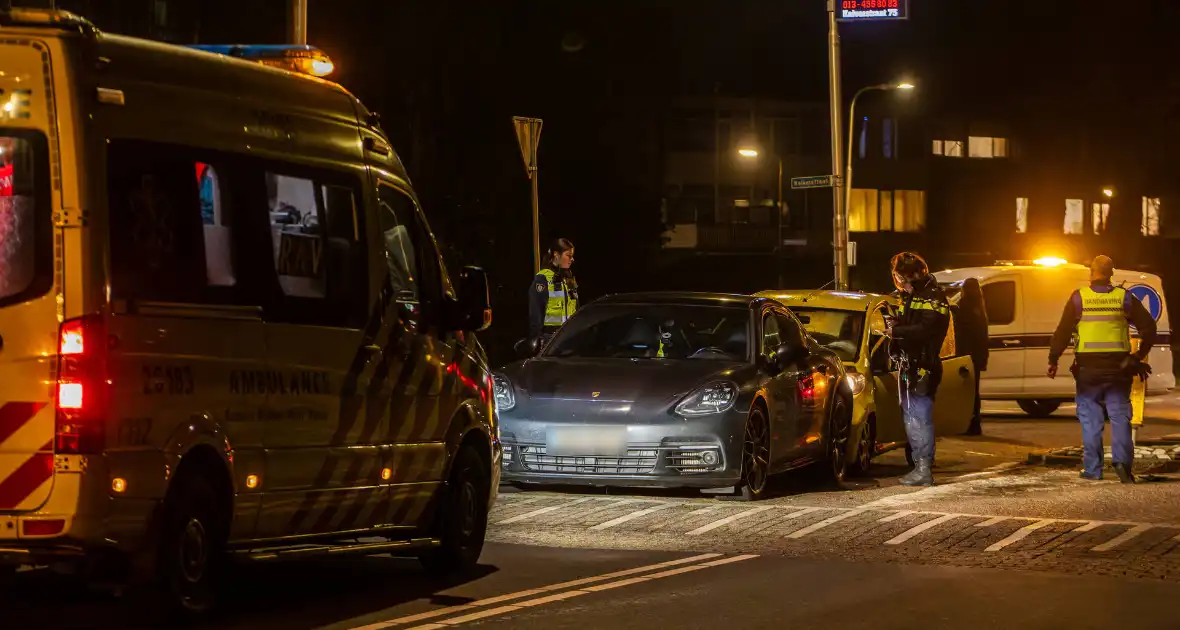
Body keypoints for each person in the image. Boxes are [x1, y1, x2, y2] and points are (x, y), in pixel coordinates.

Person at [1047, 255, 1155, 484]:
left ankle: (1093, 469)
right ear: (1111, 273)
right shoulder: (1123, 298)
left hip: (1088, 370)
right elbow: (1149, 327)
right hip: (1119, 369)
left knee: (1090, 418)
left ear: (1091, 273)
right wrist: (1138, 355)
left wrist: (1053, 359)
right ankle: (1122, 464)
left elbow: (1063, 331)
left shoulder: (1079, 299)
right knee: (1120, 416)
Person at [886, 251, 950, 487]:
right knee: (914, 416)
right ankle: (920, 465)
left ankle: (923, 470)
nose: (899, 282)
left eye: (901, 276)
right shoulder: (918, 295)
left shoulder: (932, 297)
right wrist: (898, 324)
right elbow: (917, 324)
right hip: (915, 366)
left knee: (918, 418)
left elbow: (926, 329)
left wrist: (896, 332)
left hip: (923, 367)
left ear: (910, 276)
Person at [953, 277, 990, 435]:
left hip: (965, 355)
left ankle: (969, 424)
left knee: (966, 391)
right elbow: (983, 336)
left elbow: (961, 335)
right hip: (977, 356)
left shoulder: (964, 307)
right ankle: (975, 423)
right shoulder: (979, 308)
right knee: (974, 391)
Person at [528, 238, 578, 345]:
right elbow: (536, 314)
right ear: (556, 254)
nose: (572, 259)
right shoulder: (543, 278)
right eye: (568, 255)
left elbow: (576, 309)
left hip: (569, 338)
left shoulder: (569, 279)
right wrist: (537, 342)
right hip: (550, 341)